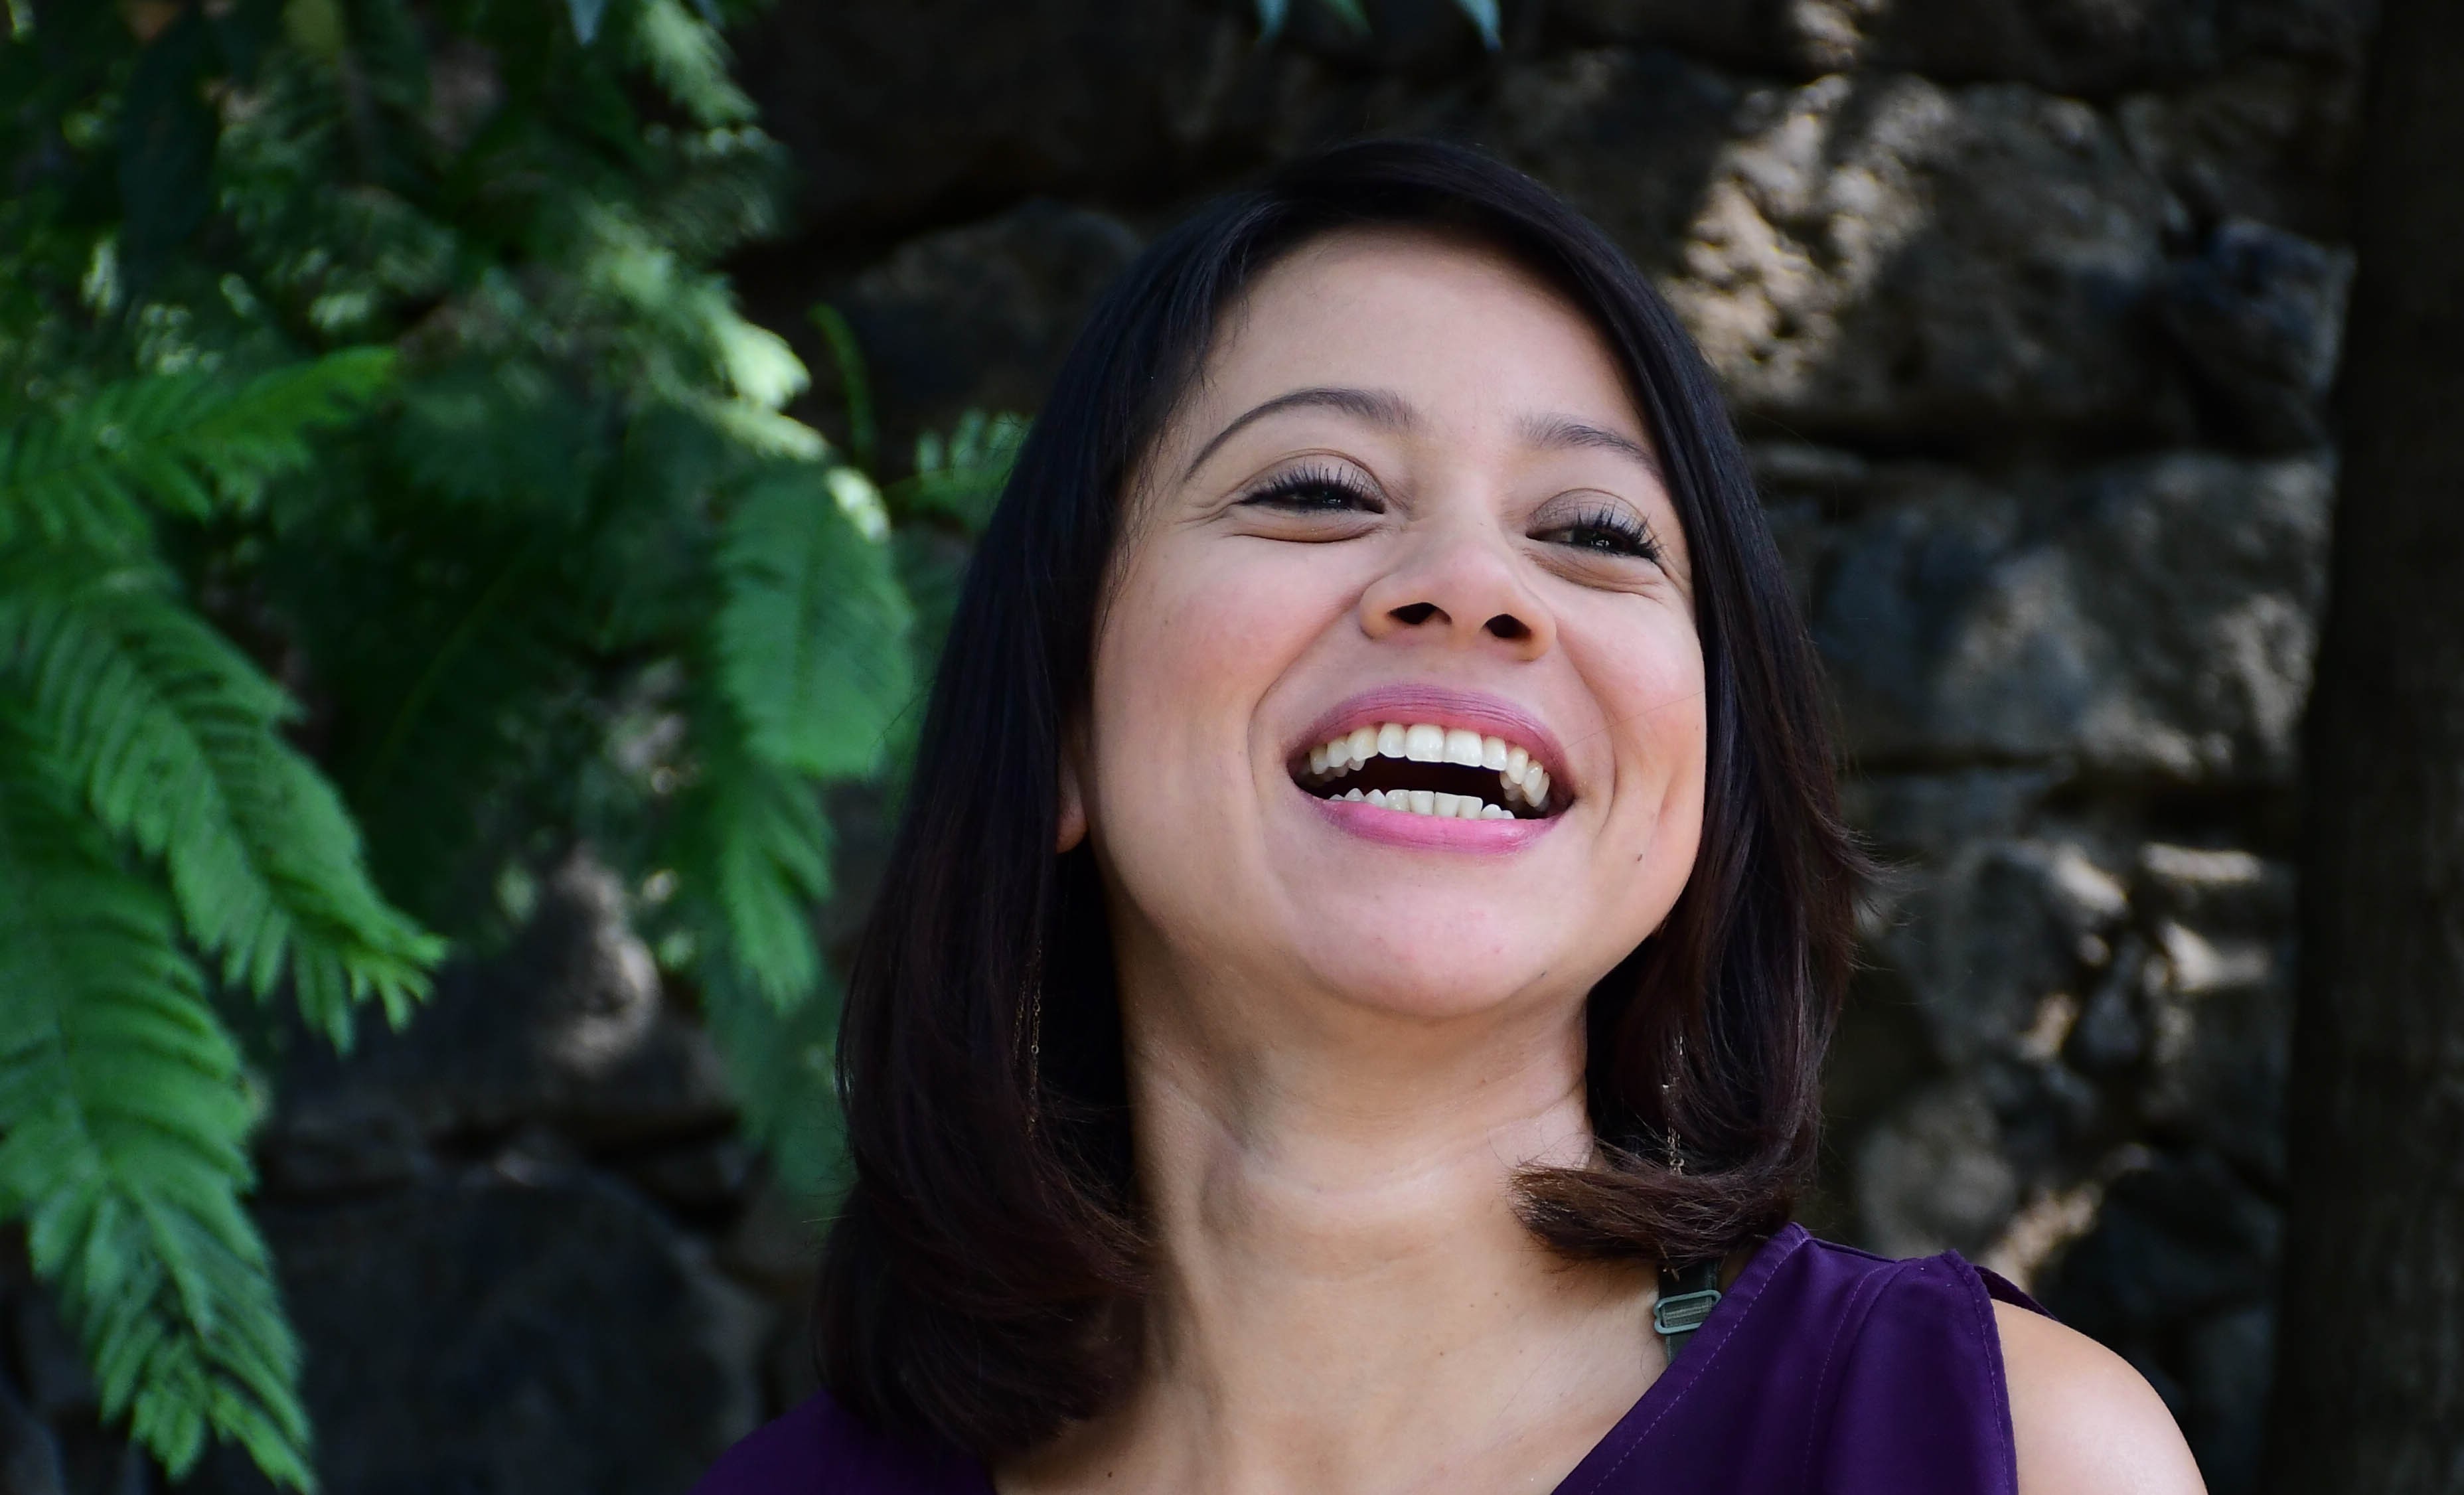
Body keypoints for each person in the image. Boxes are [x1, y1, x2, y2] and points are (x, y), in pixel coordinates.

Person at [696, 141, 2204, 1495]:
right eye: (1317, 491)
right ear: (1064, 724)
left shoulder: (2007, 1456)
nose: (1473, 585)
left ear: (1704, 771)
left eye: (1595, 531)